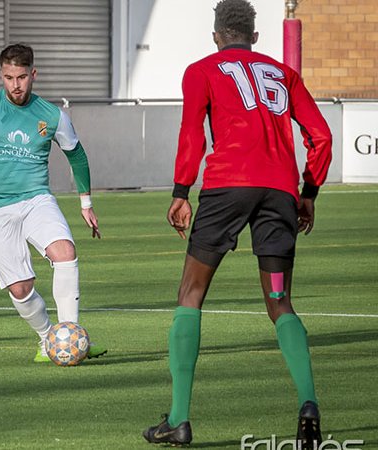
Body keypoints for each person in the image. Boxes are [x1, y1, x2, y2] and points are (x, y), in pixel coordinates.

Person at [142, 1, 332, 447]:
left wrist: (180, 191)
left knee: (191, 294)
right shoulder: (283, 74)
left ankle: (179, 419)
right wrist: (308, 193)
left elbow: (193, 135)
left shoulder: (203, 70)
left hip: (228, 186)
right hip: (280, 192)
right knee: (280, 302)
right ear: (256, 37)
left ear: (215, 35)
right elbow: (320, 136)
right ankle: (308, 403)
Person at [0, 43, 107, 363]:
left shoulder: (52, 115)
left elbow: (76, 155)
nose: (15, 85)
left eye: (22, 77)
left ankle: (71, 335)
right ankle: (46, 339)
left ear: (33, 74)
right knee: (20, 289)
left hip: (36, 199)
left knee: (65, 253)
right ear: (1, 74)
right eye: (9, 77)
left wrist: (86, 203)